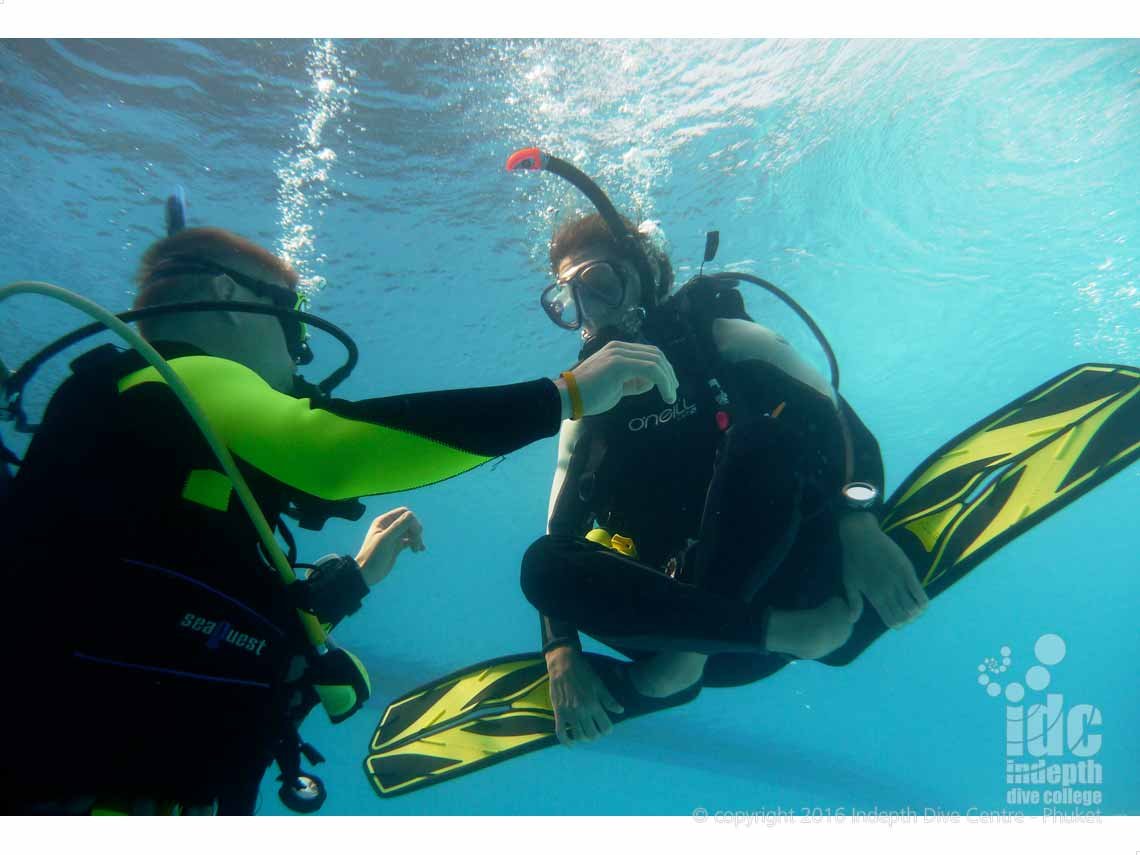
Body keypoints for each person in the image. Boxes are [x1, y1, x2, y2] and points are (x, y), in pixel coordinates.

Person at [0, 225, 678, 814]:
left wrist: (355, 578)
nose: (299, 354)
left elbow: (194, 604)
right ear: (231, 298)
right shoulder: (174, 377)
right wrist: (565, 394)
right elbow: (334, 452)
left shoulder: (164, 443)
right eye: (292, 319)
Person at [519, 212, 930, 745]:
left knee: (763, 439)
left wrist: (858, 522)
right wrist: (560, 651)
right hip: (686, 628)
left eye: (600, 283)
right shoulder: (589, 401)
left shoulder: (719, 337)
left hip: (790, 597)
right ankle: (699, 657)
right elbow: (561, 538)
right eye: (569, 301)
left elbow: (838, 424)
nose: (591, 311)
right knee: (540, 565)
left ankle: (661, 681)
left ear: (642, 272)